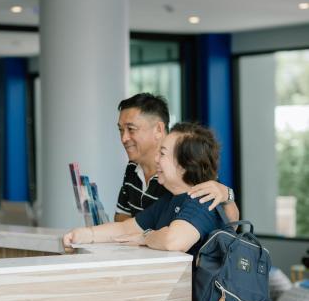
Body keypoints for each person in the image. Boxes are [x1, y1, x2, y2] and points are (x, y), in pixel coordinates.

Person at [63, 122, 226, 259]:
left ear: (184, 166)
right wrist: (86, 234)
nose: (156, 159)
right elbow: (126, 228)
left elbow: (173, 240)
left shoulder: (202, 199)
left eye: (162, 154)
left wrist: (145, 236)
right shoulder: (170, 199)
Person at [114, 93, 239, 223]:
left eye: (131, 129)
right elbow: (121, 218)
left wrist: (228, 195)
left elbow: (229, 223)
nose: (124, 138)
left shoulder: (185, 166)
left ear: (158, 129)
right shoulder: (132, 166)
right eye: (121, 130)